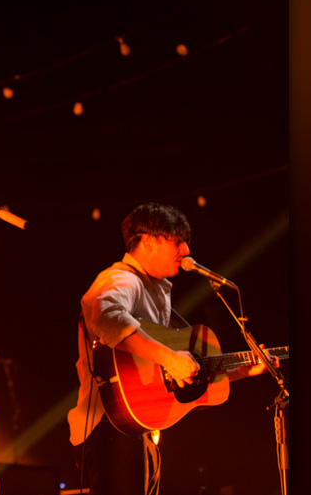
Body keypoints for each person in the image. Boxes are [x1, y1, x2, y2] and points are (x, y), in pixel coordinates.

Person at [67, 202, 271, 495]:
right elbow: (106, 318)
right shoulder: (120, 279)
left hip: (141, 432)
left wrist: (237, 372)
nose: (186, 251)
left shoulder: (153, 290)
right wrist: (169, 357)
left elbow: (164, 374)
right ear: (148, 241)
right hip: (111, 431)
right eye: (178, 241)